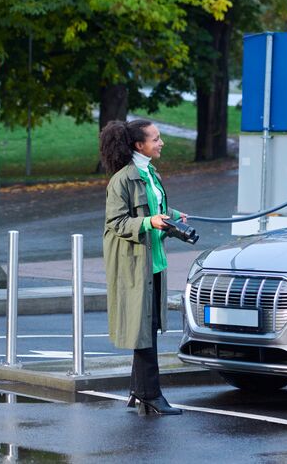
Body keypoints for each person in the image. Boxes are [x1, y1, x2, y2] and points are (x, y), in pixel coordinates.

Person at [99, 119, 185, 416]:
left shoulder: (150, 174)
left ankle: (139, 390)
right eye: (156, 139)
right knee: (143, 330)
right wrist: (150, 222)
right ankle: (152, 395)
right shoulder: (122, 180)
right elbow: (117, 223)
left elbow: (155, 208)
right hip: (135, 266)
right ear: (140, 145)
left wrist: (173, 215)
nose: (161, 143)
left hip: (154, 263)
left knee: (146, 327)